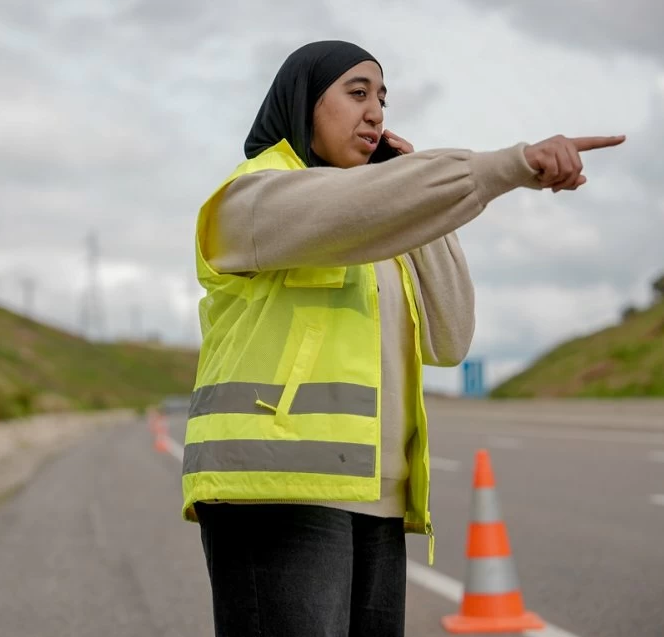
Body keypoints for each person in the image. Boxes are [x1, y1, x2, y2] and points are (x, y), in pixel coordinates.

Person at [180, 40, 624, 637]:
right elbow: (347, 209)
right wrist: (505, 166)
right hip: (278, 491)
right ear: (303, 101)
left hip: (374, 496)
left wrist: (416, 205)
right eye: (356, 93)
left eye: (383, 101)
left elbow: (450, 337)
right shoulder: (254, 197)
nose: (376, 114)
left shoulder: (375, 225)